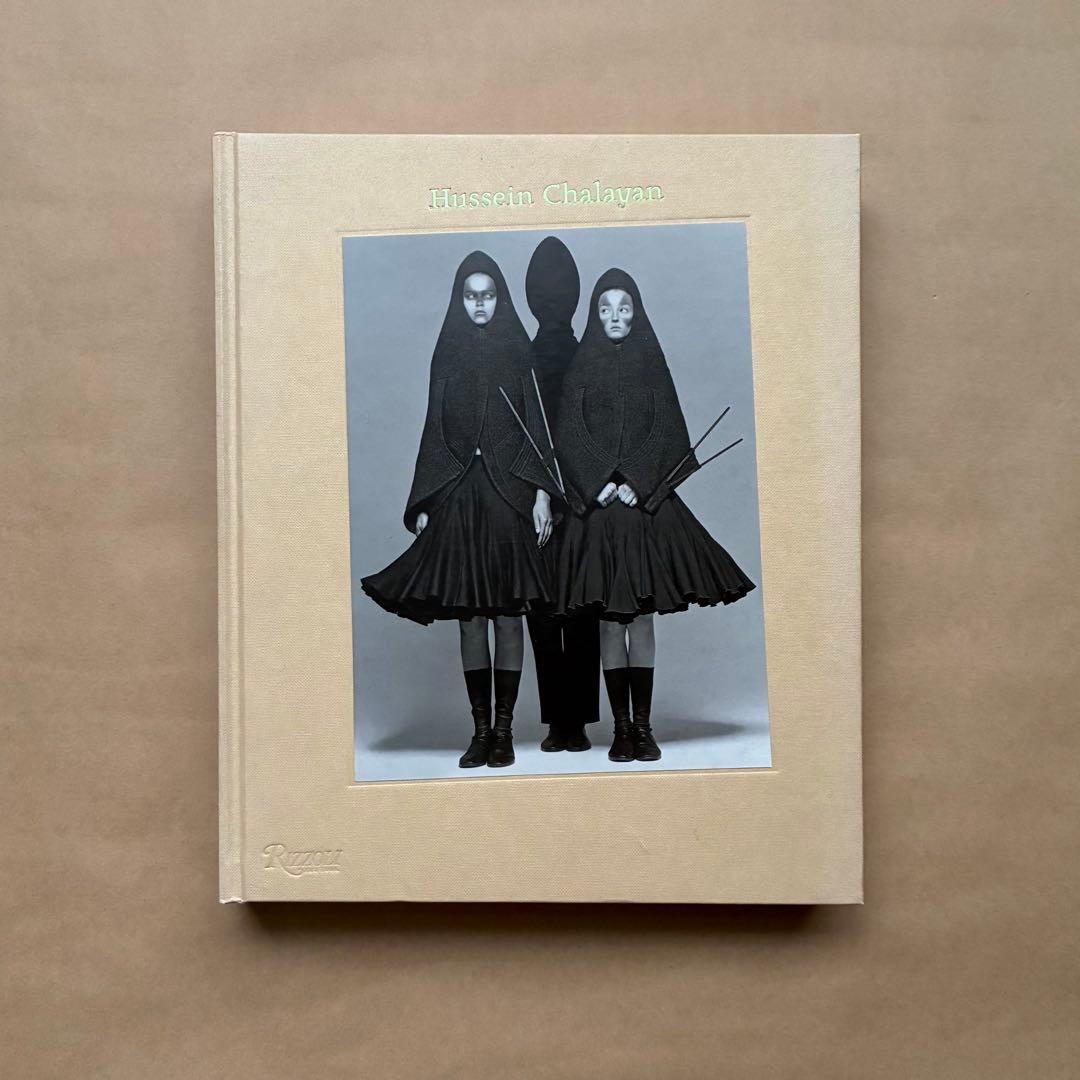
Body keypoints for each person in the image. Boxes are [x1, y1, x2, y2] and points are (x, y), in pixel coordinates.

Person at [360, 251, 561, 769]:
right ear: (460, 300)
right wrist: (426, 501)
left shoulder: (518, 348)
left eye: (488, 295)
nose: (480, 304)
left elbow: (537, 424)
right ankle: (480, 732)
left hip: (510, 494)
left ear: (500, 298)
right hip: (460, 495)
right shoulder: (446, 350)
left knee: (509, 615)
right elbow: (434, 425)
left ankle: (504, 731)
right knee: (471, 617)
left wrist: (542, 494)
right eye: (471, 296)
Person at [553, 268, 756, 763]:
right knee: (609, 620)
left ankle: (643, 727)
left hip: (642, 508)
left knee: (641, 619)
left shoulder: (651, 362)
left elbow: (667, 427)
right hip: (600, 512)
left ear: (636, 313)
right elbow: (569, 433)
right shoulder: (580, 367)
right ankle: (620, 728)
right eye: (605, 308)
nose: (614, 316)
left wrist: (637, 483)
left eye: (623, 308)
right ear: (595, 314)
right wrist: (601, 483)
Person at [522, 237, 602, 753]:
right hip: (541, 499)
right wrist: (542, 493)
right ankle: (561, 722)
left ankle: (573, 723)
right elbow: (523, 434)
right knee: (550, 608)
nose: (552, 302)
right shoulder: (524, 357)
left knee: (577, 606)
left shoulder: (585, 355)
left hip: (578, 496)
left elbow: (597, 429)